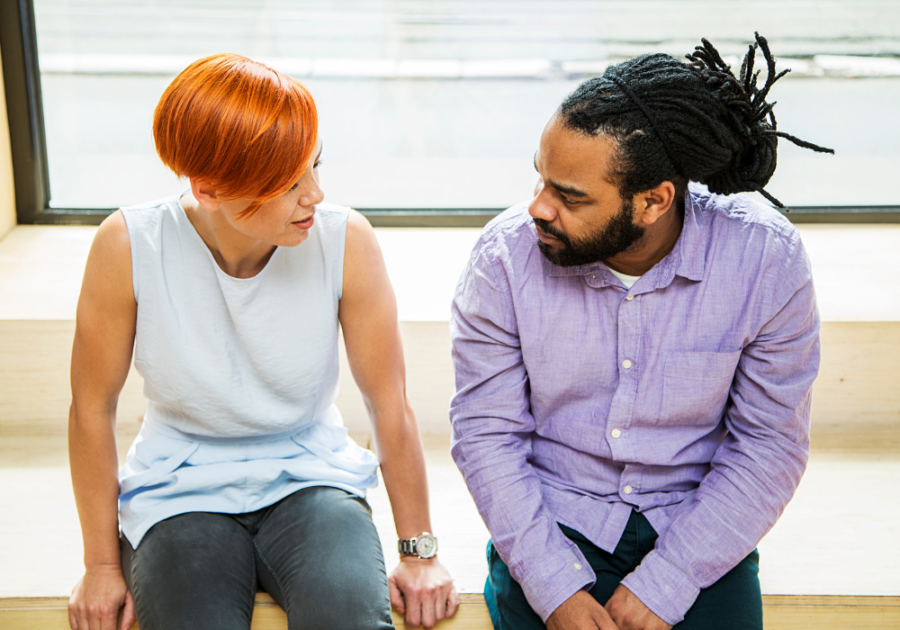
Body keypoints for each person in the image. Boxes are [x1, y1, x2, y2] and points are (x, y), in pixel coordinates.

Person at [449, 34, 833, 630]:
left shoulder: (765, 259)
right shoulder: (503, 260)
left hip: (695, 526)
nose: (538, 209)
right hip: (552, 523)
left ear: (654, 201)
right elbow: (486, 435)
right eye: (541, 180)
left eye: (570, 196)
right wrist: (553, 589)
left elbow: (768, 445)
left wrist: (669, 581)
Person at [67, 53, 457, 630]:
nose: (315, 196)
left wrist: (417, 550)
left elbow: (387, 401)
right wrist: (100, 564)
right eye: (287, 184)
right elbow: (91, 408)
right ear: (209, 188)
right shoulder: (128, 245)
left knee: (348, 617)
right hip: (179, 486)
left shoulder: (345, 240)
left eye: (315, 167)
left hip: (312, 475)